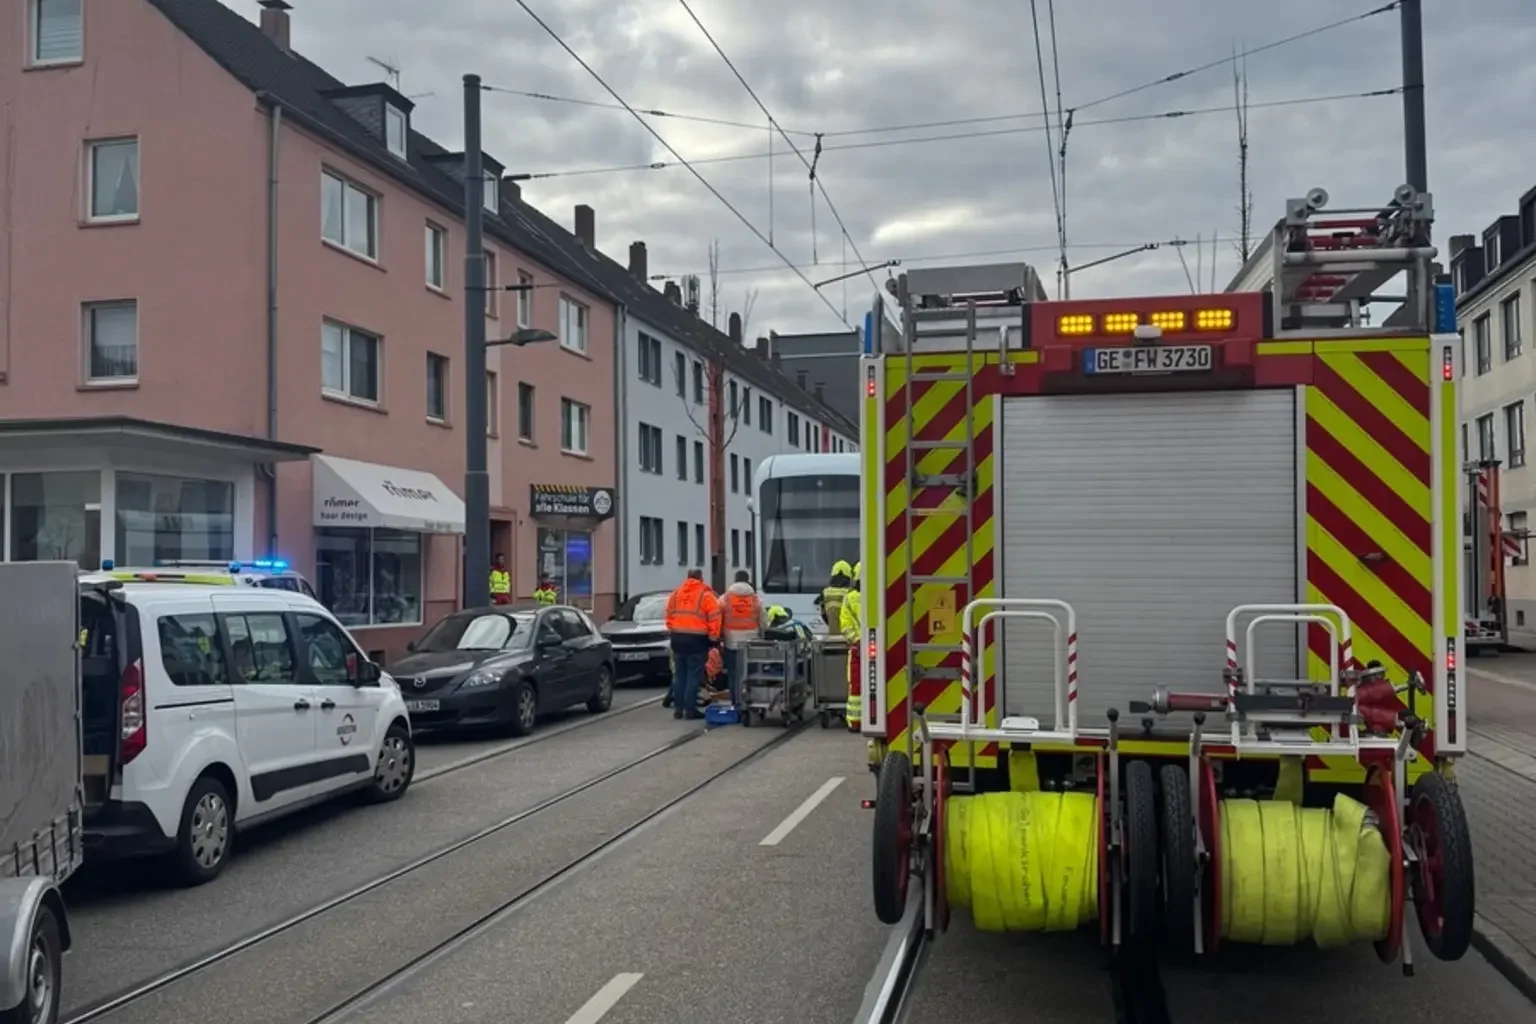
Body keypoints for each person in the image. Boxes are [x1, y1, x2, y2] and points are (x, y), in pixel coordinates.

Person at [665, 568, 721, 720]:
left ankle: (678, 709)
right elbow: (714, 617)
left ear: (687, 578)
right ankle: (690, 710)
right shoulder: (706, 595)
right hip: (697, 641)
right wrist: (714, 637)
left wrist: (673, 630)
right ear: (701, 578)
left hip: (677, 639)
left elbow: (668, 615)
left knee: (679, 675)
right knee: (693, 676)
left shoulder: (676, 594)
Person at [721, 569, 765, 709]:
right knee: (751, 674)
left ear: (735, 580)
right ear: (747, 580)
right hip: (752, 643)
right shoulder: (756, 598)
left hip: (731, 642)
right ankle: (751, 702)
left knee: (734, 675)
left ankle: (736, 703)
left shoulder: (725, 598)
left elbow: (716, 617)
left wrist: (718, 635)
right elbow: (764, 621)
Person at [841, 561, 863, 732]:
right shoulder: (882, 594)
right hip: (882, 648)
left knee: (856, 687)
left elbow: (846, 625)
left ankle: (855, 722)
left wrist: (857, 640)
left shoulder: (849, 599)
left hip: (858, 649)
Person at [815, 560, 854, 635]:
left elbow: (824, 615)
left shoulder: (825, 593)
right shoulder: (851, 593)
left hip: (833, 636)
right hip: (851, 637)